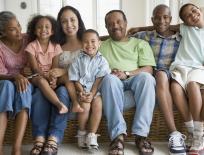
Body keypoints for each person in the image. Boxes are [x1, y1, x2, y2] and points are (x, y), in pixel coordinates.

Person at [128, 5, 187, 155]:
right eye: (158, 18)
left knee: (163, 75)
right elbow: (120, 37)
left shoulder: (180, 38)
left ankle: (178, 133)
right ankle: (174, 133)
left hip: (173, 75)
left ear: (171, 19)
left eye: (165, 17)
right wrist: (94, 39)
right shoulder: (144, 36)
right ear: (152, 19)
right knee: (160, 74)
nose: (161, 21)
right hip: (150, 77)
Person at [30, 5, 86, 155]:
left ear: (79, 21)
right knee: (38, 94)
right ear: (59, 26)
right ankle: (39, 138)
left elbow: (93, 68)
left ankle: (53, 139)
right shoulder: (55, 45)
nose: (69, 25)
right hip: (56, 82)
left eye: (72, 20)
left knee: (62, 93)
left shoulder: (88, 42)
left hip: (77, 85)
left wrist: (64, 71)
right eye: (64, 21)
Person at [100, 10, 156, 155]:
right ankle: (118, 136)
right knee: (109, 79)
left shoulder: (140, 44)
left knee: (147, 78)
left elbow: (148, 69)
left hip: (134, 82)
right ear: (106, 28)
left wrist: (127, 73)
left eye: (119, 21)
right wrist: (112, 74)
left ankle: (141, 135)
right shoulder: (101, 46)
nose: (115, 26)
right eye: (110, 24)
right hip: (113, 88)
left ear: (126, 23)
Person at [169, 3, 204, 155]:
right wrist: (138, 29)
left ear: (199, 9)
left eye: (193, 10)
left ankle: (198, 135)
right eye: (187, 16)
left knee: (191, 84)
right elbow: (166, 26)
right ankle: (191, 131)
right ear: (185, 22)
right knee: (175, 87)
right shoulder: (185, 28)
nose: (192, 15)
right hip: (181, 66)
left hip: (199, 68)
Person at [69, 29, 110, 151]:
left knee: (98, 105)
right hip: (81, 90)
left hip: (96, 90)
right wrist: (82, 91)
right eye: (86, 42)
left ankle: (92, 135)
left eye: (93, 41)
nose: (89, 45)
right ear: (81, 44)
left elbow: (99, 79)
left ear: (99, 43)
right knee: (85, 106)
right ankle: (81, 132)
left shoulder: (102, 60)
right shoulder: (77, 59)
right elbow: (75, 79)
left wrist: (92, 93)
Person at [0, 11, 33, 155]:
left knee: (24, 86)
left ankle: (16, 148)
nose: (19, 31)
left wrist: (28, 71)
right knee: (7, 86)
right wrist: (15, 76)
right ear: (2, 32)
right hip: (5, 82)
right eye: (12, 29)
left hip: (25, 82)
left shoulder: (28, 39)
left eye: (18, 25)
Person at [25, 15, 68, 114]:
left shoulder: (56, 47)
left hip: (50, 75)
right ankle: (59, 104)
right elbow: (35, 68)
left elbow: (55, 67)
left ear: (52, 31)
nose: (43, 29)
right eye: (39, 27)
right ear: (34, 31)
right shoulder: (31, 47)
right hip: (36, 76)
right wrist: (47, 77)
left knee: (67, 77)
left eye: (47, 27)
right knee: (41, 80)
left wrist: (53, 79)